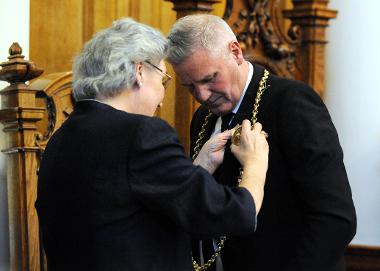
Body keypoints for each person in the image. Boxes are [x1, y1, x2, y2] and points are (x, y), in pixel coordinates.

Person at [35, 18, 269, 271]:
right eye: (163, 80)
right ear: (139, 71)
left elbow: (130, 210)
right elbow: (232, 214)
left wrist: (200, 166)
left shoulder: (61, 138)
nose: (160, 100)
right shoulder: (141, 133)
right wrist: (255, 163)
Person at [167, 14, 357, 271]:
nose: (201, 95)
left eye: (209, 78)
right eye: (190, 86)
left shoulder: (291, 103)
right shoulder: (202, 118)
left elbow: (335, 218)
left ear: (235, 52)